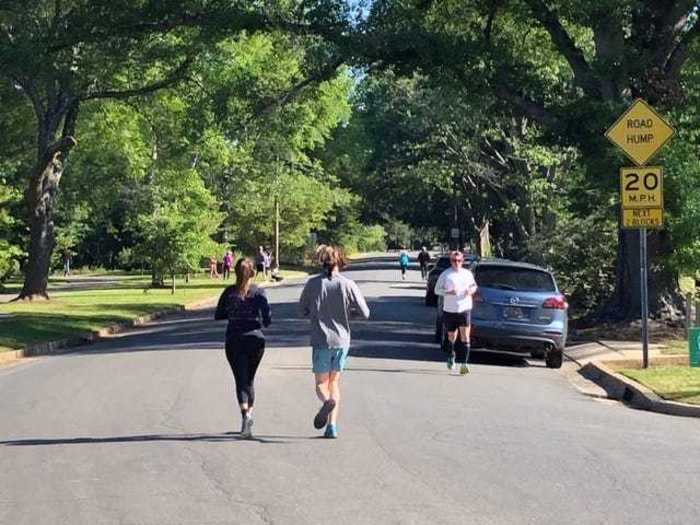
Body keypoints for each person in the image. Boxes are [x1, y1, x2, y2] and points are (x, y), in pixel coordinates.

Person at [299, 245, 370, 439]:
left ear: (322, 262)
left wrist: (316, 313)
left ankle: (326, 401)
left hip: (321, 339)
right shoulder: (348, 284)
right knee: (335, 382)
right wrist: (348, 315)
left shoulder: (312, 284)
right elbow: (365, 313)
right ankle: (332, 426)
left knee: (321, 384)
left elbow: (302, 310)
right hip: (342, 341)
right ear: (340, 262)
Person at [214, 258, 272, 439]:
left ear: (235, 272)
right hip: (255, 340)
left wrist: (233, 313)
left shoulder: (229, 292)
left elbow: (218, 315)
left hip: (234, 339)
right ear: (253, 273)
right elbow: (268, 319)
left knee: (240, 379)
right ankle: (249, 417)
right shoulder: (258, 293)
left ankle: (245, 415)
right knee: (250, 381)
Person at [434, 250, 478, 375]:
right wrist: (448, 292)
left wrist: (471, 291)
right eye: (454, 260)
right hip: (450, 310)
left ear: (462, 261)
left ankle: (464, 364)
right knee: (451, 337)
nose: (456, 263)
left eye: (459, 260)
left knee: (465, 336)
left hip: (464, 308)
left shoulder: (467, 274)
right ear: (450, 261)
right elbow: (437, 290)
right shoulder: (446, 274)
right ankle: (451, 356)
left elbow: (474, 286)